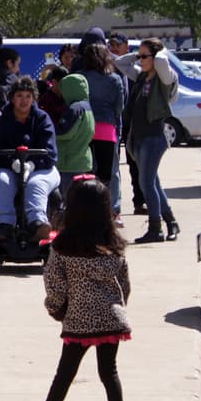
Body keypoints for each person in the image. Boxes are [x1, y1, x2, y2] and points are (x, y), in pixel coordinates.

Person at [16, 178, 131, 401]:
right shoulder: (114, 246)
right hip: (112, 318)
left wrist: (56, 309)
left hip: (79, 319)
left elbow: (54, 283)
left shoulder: (63, 247)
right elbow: (125, 285)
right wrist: (119, 308)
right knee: (109, 371)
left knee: (65, 373)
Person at [116, 38, 180, 243]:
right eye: (140, 56)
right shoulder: (142, 76)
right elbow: (120, 63)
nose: (141, 60)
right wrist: (137, 55)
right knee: (152, 182)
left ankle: (155, 229)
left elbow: (162, 61)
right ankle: (171, 222)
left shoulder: (165, 78)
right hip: (139, 136)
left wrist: (160, 53)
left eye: (145, 56)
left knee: (145, 183)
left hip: (154, 137)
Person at [0, 76, 60, 246]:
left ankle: (38, 224)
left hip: (42, 168)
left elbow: (50, 153)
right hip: (8, 167)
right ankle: (5, 224)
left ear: (33, 98)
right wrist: (11, 163)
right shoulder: (2, 119)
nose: (24, 100)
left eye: (28, 96)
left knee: (35, 184)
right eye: (19, 96)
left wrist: (32, 164)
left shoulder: (42, 118)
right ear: (12, 98)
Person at [77, 43, 126, 224]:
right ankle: (110, 211)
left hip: (85, 127)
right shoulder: (114, 79)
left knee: (88, 172)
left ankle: (88, 212)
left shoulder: (80, 77)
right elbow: (120, 106)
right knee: (109, 173)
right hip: (107, 127)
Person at [107, 32, 141, 216]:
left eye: (117, 46)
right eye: (111, 46)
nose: (113, 49)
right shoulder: (108, 71)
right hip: (115, 124)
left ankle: (140, 201)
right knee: (113, 167)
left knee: (135, 163)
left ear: (126, 47)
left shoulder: (134, 70)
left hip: (132, 123)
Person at [55, 74, 95, 194]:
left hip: (70, 162)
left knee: (68, 199)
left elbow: (66, 132)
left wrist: (50, 132)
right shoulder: (87, 107)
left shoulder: (75, 108)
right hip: (82, 160)